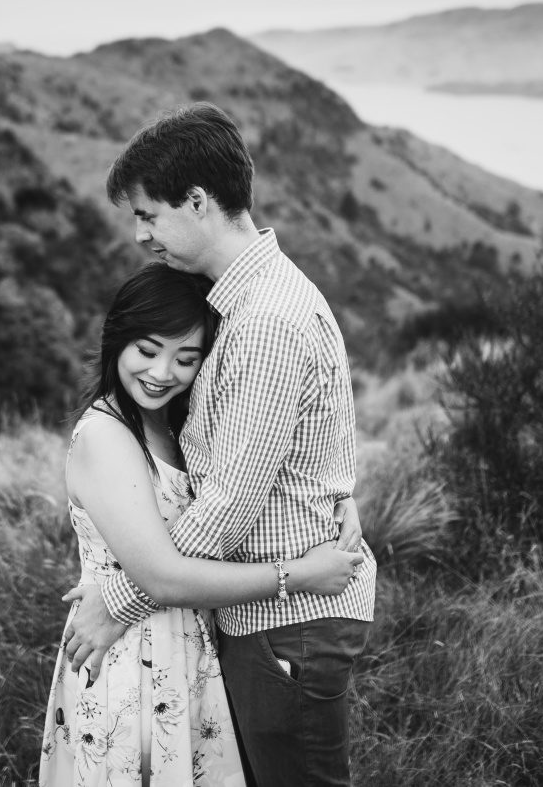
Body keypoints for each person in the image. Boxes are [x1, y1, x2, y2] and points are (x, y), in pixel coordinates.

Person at [63, 103, 377, 786]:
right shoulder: (236, 304)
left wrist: (121, 597)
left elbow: (228, 508)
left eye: (148, 214)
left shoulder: (263, 320)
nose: (140, 234)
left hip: (285, 620)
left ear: (198, 201)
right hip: (263, 613)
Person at [40, 262, 365, 786]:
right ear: (116, 339)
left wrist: (337, 498)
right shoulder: (106, 435)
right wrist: (300, 575)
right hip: (132, 661)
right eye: (147, 350)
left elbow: (253, 473)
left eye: (186, 359)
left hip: (189, 651)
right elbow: (164, 578)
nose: (162, 372)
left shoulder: (173, 424)